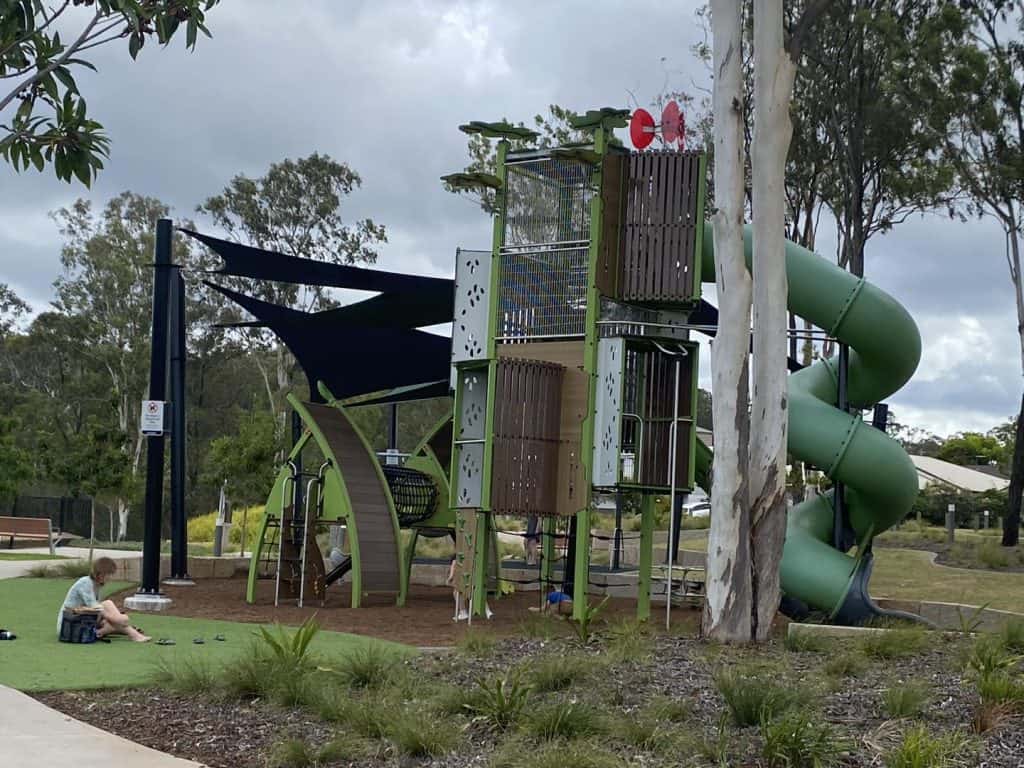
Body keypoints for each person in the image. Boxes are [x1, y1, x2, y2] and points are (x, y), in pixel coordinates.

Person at [58, 557, 150, 642]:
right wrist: (115, 618)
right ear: (100, 574)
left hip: (82, 620)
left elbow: (95, 610)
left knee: (111, 620)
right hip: (70, 625)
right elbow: (95, 608)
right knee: (108, 605)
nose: (110, 578)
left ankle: (104, 631)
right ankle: (133, 633)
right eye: (109, 575)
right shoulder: (85, 583)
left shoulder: (96, 585)